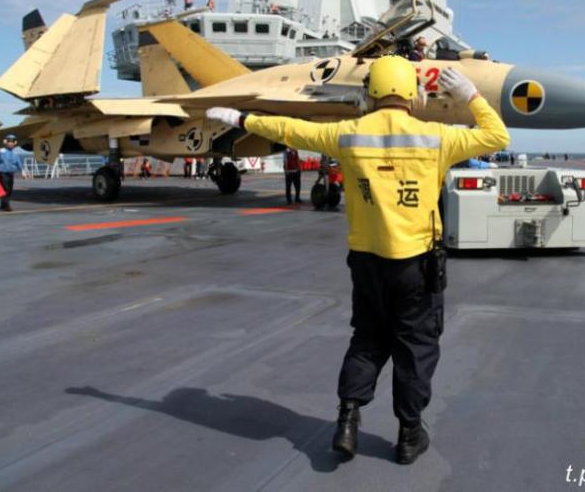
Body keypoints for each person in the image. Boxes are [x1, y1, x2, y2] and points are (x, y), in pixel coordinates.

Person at [206, 57, 509, 464]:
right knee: (415, 346)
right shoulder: (437, 137)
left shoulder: (347, 134)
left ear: (370, 94)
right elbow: (497, 135)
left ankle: (347, 420)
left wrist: (242, 119)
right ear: (413, 95)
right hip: (416, 266)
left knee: (367, 340)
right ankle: (409, 435)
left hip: (367, 264)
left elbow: (289, 129)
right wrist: (469, 95)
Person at [0, 134, 23, 212]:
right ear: (5, 142)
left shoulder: (15, 153)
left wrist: (23, 172)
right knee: (5, 188)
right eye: (9, 142)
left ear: (15, 143)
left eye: (12, 142)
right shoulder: (0, 151)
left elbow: (18, 163)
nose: (10, 143)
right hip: (2, 172)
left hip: (11, 172)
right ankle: (7, 206)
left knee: (9, 189)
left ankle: (3, 204)